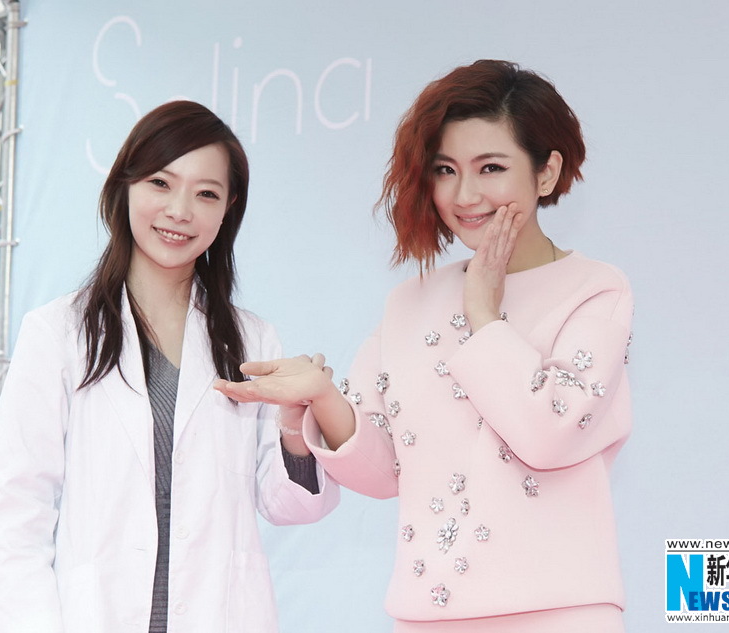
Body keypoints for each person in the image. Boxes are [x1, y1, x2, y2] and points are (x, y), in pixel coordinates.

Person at [215, 60, 633, 632]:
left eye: (491, 167)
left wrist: (482, 313)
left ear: (546, 172)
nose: (465, 194)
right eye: (445, 170)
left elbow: (548, 433)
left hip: (560, 614)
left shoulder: (595, 291)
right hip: (425, 616)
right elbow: (385, 472)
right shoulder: (409, 302)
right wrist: (323, 399)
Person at [0, 100, 339, 633]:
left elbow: (291, 506)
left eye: (206, 193)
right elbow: (13, 516)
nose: (179, 210)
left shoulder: (253, 340)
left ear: (228, 208)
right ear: (125, 186)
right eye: (161, 183)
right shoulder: (58, 334)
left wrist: (293, 427)